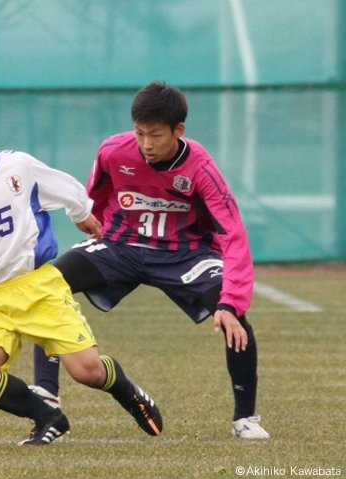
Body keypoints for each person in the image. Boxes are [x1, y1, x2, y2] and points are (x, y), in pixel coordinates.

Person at [0, 82, 163, 446]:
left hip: (41, 288)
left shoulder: (18, 166)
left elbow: (66, 186)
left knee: (87, 371)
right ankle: (48, 417)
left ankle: (129, 392)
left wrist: (83, 212)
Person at [30, 81, 270, 440]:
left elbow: (233, 233)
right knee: (44, 287)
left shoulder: (201, 169)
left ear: (178, 131)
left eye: (155, 135)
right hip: (121, 246)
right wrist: (91, 223)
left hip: (185, 255)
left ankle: (245, 419)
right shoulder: (113, 151)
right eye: (140, 133)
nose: (146, 144)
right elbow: (95, 195)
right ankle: (47, 397)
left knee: (236, 321)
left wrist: (231, 302)